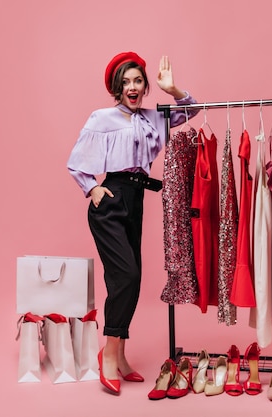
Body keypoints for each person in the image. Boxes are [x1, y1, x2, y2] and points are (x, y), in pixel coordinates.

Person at [67, 51, 198, 394]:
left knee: (132, 280)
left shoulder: (154, 118)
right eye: (126, 82)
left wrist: (172, 89)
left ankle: (121, 356)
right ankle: (108, 354)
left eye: (138, 80)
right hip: (111, 200)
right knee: (126, 275)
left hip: (137, 200)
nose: (133, 87)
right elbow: (77, 161)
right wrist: (92, 188)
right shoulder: (102, 117)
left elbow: (193, 110)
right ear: (116, 86)